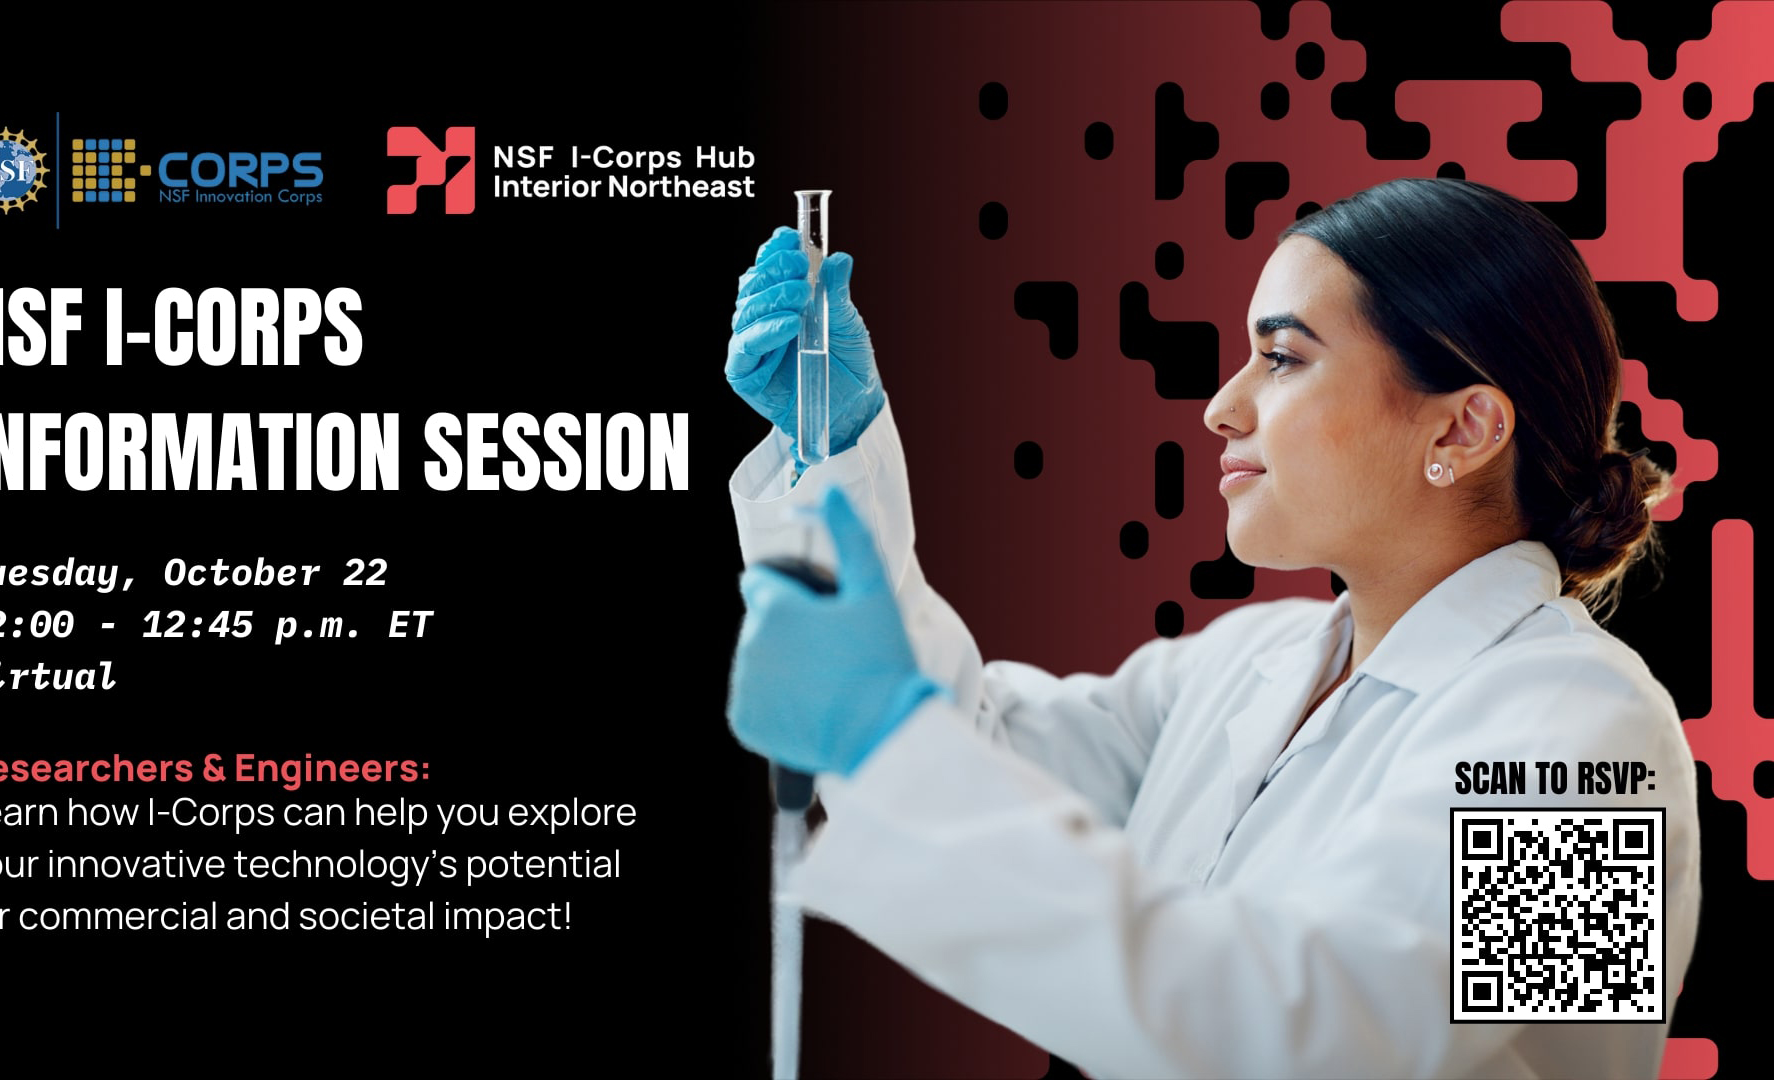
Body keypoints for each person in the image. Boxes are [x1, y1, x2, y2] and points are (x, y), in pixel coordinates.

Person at [721, 178, 1701, 1079]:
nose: (1222, 408)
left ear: (1461, 429)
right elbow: (973, 761)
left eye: (1282, 358)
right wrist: (841, 449)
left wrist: (886, 738)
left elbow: (1341, 1047)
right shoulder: (1247, 670)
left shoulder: (1600, 737)